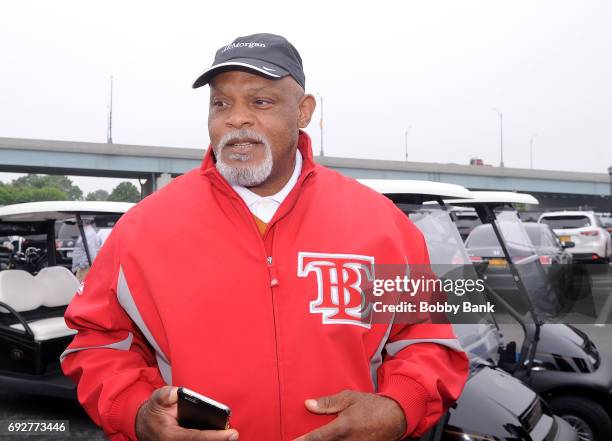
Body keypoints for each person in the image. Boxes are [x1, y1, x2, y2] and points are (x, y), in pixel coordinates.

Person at [61, 33, 468, 441]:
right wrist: (135, 413)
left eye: (261, 101)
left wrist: (399, 407)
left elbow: (427, 342)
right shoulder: (142, 229)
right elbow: (97, 344)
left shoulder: (383, 225)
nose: (236, 118)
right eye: (221, 103)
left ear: (304, 111)